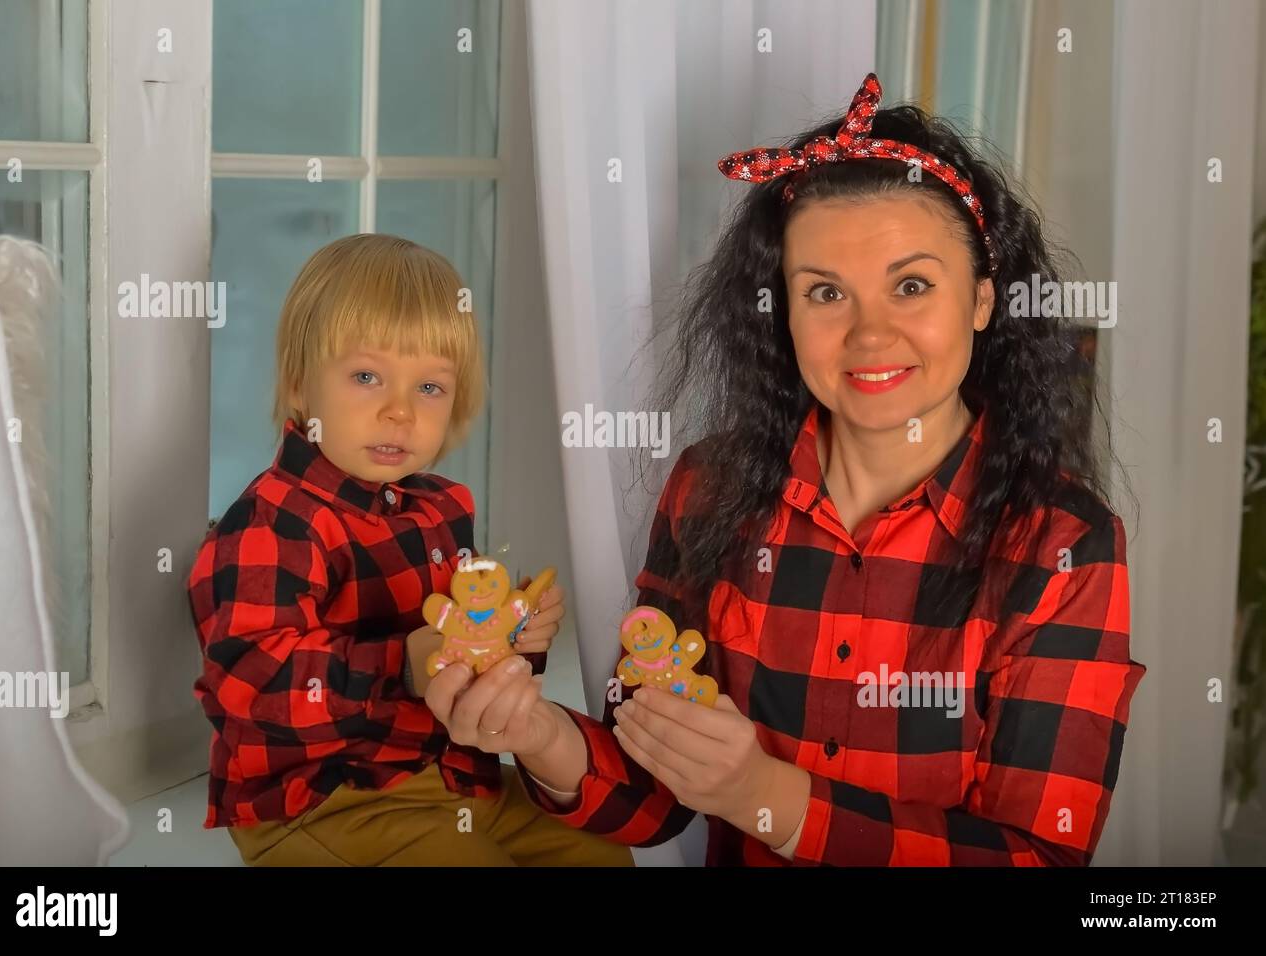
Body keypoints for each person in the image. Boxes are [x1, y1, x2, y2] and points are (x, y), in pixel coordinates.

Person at [425, 73, 1146, 866]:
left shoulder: (1064, 547)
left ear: (982, 300)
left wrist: (761, 795)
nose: (870, 335)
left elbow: (1040, 857)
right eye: (826, 293)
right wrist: (534, 732)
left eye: (911, 286)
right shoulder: (709, 489)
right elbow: (652, 792)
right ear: (784, 314)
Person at [187, 233, 631, 866]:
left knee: (598, 853)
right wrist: (401, 666)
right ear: (299, 384)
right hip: (325, 799)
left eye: (429, 387)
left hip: (453, 779)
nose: (399, 412)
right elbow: (249, 685)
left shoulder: (442, 508)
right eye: (366, 377)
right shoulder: (273, 522)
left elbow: (459, 667)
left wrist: (510, 642)